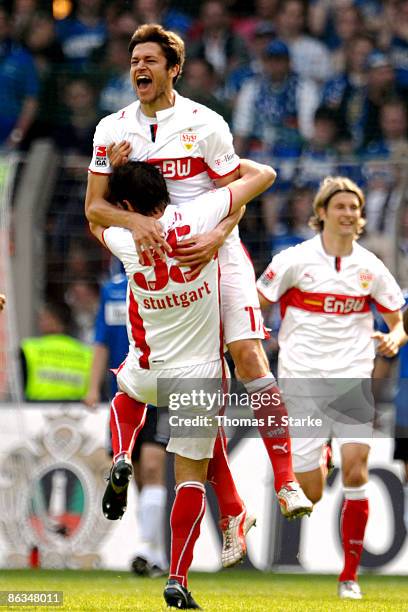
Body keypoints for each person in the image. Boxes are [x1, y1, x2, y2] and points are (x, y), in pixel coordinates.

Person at [85, 23, 312, 571]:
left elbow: (236, 189)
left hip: (218, 247)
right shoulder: (111, 130)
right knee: (195, 388)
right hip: (161, 251)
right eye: (134, 59)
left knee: (250, 356)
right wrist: (133, 221)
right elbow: (95, 208)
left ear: (173, 69)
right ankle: (233, 512)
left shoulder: (205, 124)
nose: (139, 68)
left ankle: (285, 483)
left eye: (150, 60)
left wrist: (216, 236)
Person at [89, 157, 278, 609]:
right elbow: (263, 178)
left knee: (126, 391)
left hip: (150, 369)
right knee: (189, 480)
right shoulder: (199, 215)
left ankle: (120, 454)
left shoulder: (122, 239)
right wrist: (226, 216)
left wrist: (107, 175)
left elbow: (93, 212)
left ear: (129, 203)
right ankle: (176, 577)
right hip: (198, 378)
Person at [257, 176, 406, 600]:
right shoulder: (294, 260)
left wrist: (395, 337)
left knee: (357, 470)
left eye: (353, 208)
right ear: (321, 212)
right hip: (301, 379)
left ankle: (349, 577)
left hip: (352, 377)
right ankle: (320, 455)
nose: (347, 214)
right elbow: (257, 299)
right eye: (339, 206)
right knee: (312, 492)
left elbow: (397, 320)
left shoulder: (371, 266)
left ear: (360, 217)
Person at [83, 267, 168, 576]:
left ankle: (146, 548)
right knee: (134, 473)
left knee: (152, 466)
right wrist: (93, 387)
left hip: (162, 387)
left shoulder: (164, 279)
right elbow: (101, 340)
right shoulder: (112, 289)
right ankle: (156, 554)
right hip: (124, 391)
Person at [20, 301, 92, 401]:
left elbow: (19, 382)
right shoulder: (85, 352)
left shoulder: (29, 348)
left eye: (45, 318)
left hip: (35, 409)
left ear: (58, 321)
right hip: (79, 410)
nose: (40, 322)